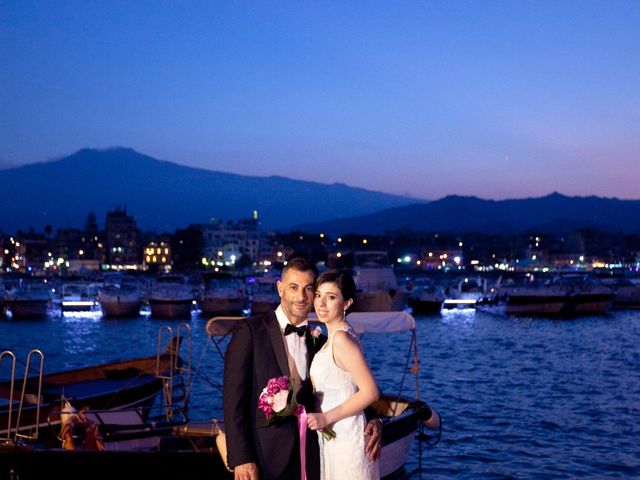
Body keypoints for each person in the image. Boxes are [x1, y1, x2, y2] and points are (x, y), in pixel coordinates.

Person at [223, 258, 382, 480]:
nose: (301, 297)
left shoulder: (320, 340)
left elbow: (348, 383)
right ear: (280, 288)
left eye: (309, 289)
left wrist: (373, 419)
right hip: (266, 454)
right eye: (293, 287)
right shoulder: (250, 330)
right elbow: (233, 400)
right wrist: (241, 458)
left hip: (315, 452)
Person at [307, 270, 380, 479]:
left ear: (346, 303)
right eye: (319, 295)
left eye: (331, 297)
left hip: (347, 436)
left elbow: (370, 392)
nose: (321, 303)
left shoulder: (341, 339)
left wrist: (325, 417)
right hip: (336, 435)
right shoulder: (336, 337)